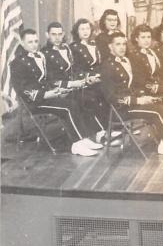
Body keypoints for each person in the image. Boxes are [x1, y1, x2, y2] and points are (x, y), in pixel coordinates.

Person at [100, 31, 163, 162]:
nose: (122, 47)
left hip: (134, 102)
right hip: (122, 108)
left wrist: (145, 96)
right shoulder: (107, 66)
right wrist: (137, 100)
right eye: (118, 44)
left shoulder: (126, 61)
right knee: (158, 110)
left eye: (124, 44)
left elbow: (134, 85)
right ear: (110, 47)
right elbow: (110, 97)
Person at [10, 29, 104, 157]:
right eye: (30, 42)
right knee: (68, 107)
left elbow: (49, 79)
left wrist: (60, 89)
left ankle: (83, 138)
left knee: (73, 102)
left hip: (48, 95)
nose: (34, 44)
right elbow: (22, 89)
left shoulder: (41, 57)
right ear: (22, 42)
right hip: (34, 102)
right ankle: (77, 144)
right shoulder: (17, 63)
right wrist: (49, 94)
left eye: (36, 41)